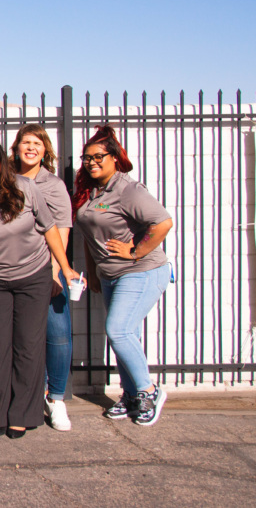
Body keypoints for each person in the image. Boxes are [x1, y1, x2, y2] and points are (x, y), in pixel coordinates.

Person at [0, 135, 80, 438]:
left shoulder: (25, 188)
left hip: (33, 277)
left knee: (29, 347)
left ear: (1, 162)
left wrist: (65, 267)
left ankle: (22, 414)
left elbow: (49, 229)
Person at [73, 125, 173, 426]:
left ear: (115, 158)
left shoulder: (128, 189)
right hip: (110, 275)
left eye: (98, 156)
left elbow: (163, 223)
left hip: (141, 272)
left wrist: (135, 251)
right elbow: (92, 235)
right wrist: (92, 269)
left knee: (118, 331)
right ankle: (130, 394)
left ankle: (148, 391)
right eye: (86, 157)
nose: (91, 162)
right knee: (127, 336)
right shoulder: (92, 192)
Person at [10, 124, 74, 431]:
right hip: (13, 271)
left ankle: (56, 398)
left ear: (45, 149)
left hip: (47, 270)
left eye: (37, 143)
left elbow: (61, 230)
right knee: (22, 338)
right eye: (26, 142)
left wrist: (54, 272)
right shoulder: (7, 179)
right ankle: (31, 396)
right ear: (17, 147)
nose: (31, 147)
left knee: (57, 335)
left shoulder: (54, 185)